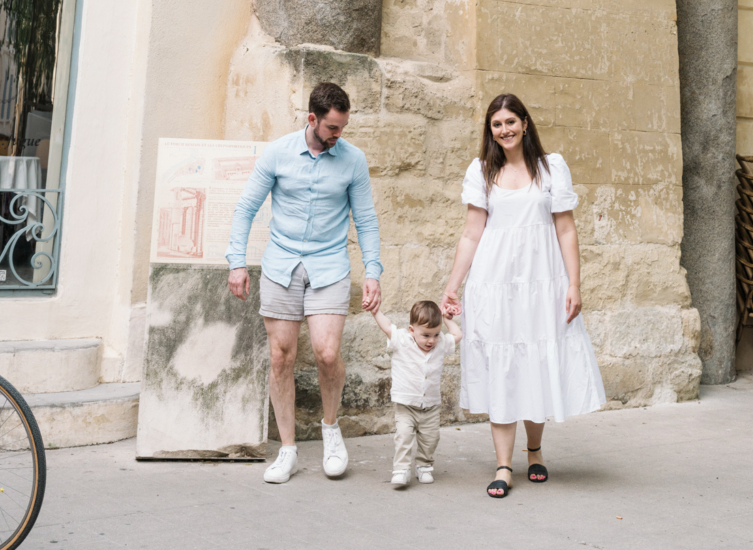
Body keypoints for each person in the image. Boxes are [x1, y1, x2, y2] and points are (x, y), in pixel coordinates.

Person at [439, 92, 605, 498]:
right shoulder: (480, 171)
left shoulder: (551, 169)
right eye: (496, 124)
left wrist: (574, 283)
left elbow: (565, 229)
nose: (504, 130)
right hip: (493, 284)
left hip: (541, 283)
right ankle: (501, 465)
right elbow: (471, 233)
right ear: (490, 131)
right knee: (502, 367)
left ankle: (534, 452)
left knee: (534, 363)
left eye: (510, 122)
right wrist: (451, 287)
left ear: (525, 124)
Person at [227, 80, 382, 484]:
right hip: (281, 266)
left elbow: (365, 219)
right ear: (312, 119)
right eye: (332, 128)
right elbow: (245, 209)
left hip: (329, 266)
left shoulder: (353, 160)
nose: (338, 136)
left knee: (327, 354)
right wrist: (237, 263)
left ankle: (331, 430)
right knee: (281, 357)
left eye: (343, 128)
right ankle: (289, 450)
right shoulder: (278, 153)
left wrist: (373, 271)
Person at [370, 299, 461, 488]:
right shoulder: (402, 340)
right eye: (426, 335)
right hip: (406, 404)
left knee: (430, 438)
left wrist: (447, 318)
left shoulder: (441, 343)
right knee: (403, 436)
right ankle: (401, 469)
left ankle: (424, 466)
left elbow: (457, 334)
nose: (432, 340)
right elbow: (387, 326)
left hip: (431, 406)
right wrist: (375, 311)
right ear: (412, 330)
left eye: (436, 334)